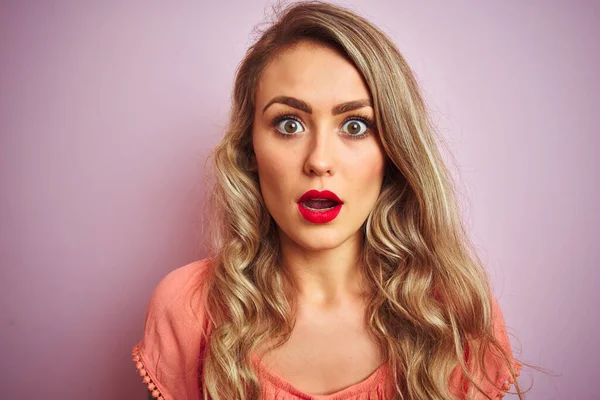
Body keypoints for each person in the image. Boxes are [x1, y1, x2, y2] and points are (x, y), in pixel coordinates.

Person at [132, 1, 525, 399]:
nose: (319, 161)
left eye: (355, 126)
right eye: (289, 124)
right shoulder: (188, 308)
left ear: (393, 152)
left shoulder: (457, 314)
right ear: (249, 149)